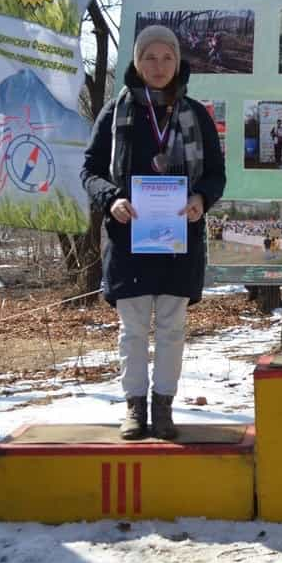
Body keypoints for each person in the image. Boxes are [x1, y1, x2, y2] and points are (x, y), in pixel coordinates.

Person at [81, 25, 226, 439]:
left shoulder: (196, 114)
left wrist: (200, 199)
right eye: (150, 57)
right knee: (131, 332)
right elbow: (89, 170)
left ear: (178, 63)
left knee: (171, 330)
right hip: (129, 239)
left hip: (180, 241)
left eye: (167, 58)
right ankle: (133, 408)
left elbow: (216, 174)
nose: (159, 66)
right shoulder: (115, 112)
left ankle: (163, 408)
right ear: (136, 62)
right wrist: (111, 198)